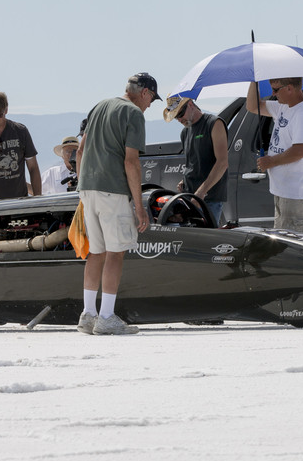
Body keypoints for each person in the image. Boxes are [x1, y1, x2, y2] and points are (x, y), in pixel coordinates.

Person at [75, 72, 160, 336]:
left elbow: (80, 151)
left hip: (88, 189)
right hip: (113, 191)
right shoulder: (133, 114)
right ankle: (107, 316)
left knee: (96, 253)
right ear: (144, 92)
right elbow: (131, 161)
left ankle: (88, 315)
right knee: (116, 253)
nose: (149, 105)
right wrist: (139, 205)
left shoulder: (100, 106)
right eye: (151, 100)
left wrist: (83, 187)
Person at [245, 77, 303, 234]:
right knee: (283, 249)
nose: (272, 93)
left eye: (276, 89)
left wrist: (271, 161)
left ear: (290, 88)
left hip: (296, 195)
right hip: (284, 192)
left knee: (291, 251)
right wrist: (254, 80)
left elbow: (300, 150)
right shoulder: (284, 107)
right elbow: (253, 106)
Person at [164, 96, 229, 225]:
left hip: (208, 199)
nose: (179, 119)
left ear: (190, 104)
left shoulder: (214, 123)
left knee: (205, 241)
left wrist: (201, 192)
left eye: (180, 114)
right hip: (189, 198)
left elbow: (222, 163)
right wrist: (184, 181)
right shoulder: (185, 132)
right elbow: (194, 163)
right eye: (175, 116)